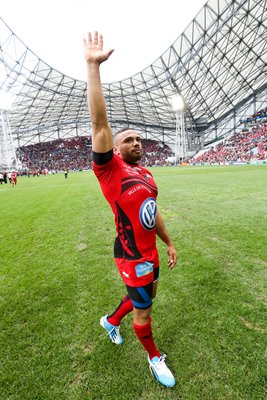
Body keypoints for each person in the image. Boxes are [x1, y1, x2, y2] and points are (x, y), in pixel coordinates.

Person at [83, 31, 177, 388]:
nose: (136, 143)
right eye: (128, 140)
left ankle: (110, 320)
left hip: (150, 252)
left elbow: (153, 212)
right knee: (145, 307)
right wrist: (93, 67)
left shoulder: (147, 173)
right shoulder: (110, 171)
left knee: (146, 295)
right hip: (130, 255)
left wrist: (168, 242)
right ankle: (154, 358)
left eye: (138, 139)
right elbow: (99, 124)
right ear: (115, 149)